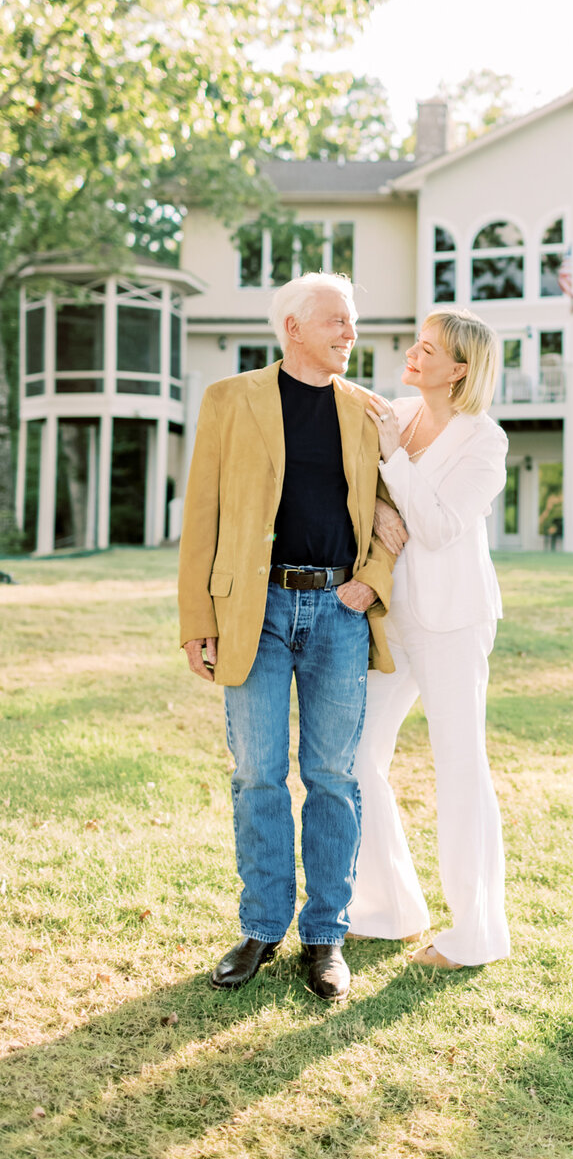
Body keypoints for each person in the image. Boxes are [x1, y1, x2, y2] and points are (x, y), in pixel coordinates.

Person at [177, 272, 397, 1002]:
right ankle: (262, 926)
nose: (350, 333)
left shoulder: (367, 412)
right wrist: (197, 620)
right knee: (256, 773)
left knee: (334, 778)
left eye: (354, 322)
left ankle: (326, 937)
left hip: (338, 611)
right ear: (294, 327)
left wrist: (372, 577)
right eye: (337, 320)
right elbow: (202, 516)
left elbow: (393, 512)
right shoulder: (229, 400)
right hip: (254, 613)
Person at [349, 307, 511, 969]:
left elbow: (443, 526)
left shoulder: (484, 441)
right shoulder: (391, 412)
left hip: (454, 620)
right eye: (416, 344)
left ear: (460, 370)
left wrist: (393, 463)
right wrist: (384, 507)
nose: (413, 354)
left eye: (428, 349)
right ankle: (389, 909)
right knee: (354, 757)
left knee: (459, 767)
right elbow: (362, 494)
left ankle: (475, 935)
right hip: (390, 615)